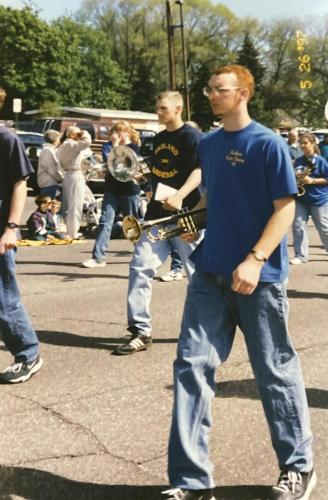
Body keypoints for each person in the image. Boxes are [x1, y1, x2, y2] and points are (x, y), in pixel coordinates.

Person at [163, 65, 316, 500]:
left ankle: (297, 468)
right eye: (210, 89)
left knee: (274, 372)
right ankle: (191, 480)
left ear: (244, 93)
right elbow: (213, 197)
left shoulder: (267, 143)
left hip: (258, 277)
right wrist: (192, 223)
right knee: (191, 367)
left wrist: (255, 258)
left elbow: (284, 208)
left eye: (222, 89)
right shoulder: (209, 144)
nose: (213, 95)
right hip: (209, 273)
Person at [114, 91, 203, 355]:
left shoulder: (193, 137)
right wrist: (144, 184)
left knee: (197, 276)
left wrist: (180, 195)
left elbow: (200, 170)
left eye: (164, 108)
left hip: (186, 215)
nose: (159, 112)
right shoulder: (156, 139)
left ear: (178, 108)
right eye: (157, 107)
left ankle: (204, 327)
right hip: (155, 216)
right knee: (140, 268)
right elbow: (153, 172)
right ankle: (140, 331)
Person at [0, 87, 43, 384]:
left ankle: (28, 354)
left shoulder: (7, 139)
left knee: (3, 296)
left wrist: (11, 227)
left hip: (1, 230)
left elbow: (20, 184)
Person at [82, 121, 141, 268]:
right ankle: (98, 257)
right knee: (104, 222)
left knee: (131, 223)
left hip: (129, 190)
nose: (116, 135)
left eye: (119, 132)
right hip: (111, 189)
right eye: (114, 132)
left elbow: (123, 167)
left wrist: (116, 146)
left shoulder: (133, 148)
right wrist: (114, 146)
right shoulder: (108, 146)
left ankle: (141, 255)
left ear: (126, 133)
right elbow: (110, 163)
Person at [290, 131, 328, 265]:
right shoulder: (298, 161)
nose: (303, 145)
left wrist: (312, 181)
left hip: (319, 200)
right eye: (301, 143)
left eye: (306, 143)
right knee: (298, 226)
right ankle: (301, 255)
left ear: (313, 144)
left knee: (324, 229)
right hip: (301, 200)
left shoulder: (321, 161)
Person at [57, 126, 92, 238]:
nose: (79, 136)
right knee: (75, 204)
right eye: (78, 134)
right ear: (72, 134)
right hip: (75, 174)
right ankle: (73, 231)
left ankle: (70, 229)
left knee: (70, 204)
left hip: (69, 174)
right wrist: (84, 132)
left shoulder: (64, 145)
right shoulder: (71, 144)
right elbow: (87, 142)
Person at [37, 129, 63, 199]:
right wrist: (60, 178)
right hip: (48, 183)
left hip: (48, 183)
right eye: (58, 139)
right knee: (47, 207)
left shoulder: (49, 150)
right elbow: (51, 169)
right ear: (55, 139)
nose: (59, 141)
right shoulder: (48, 150)